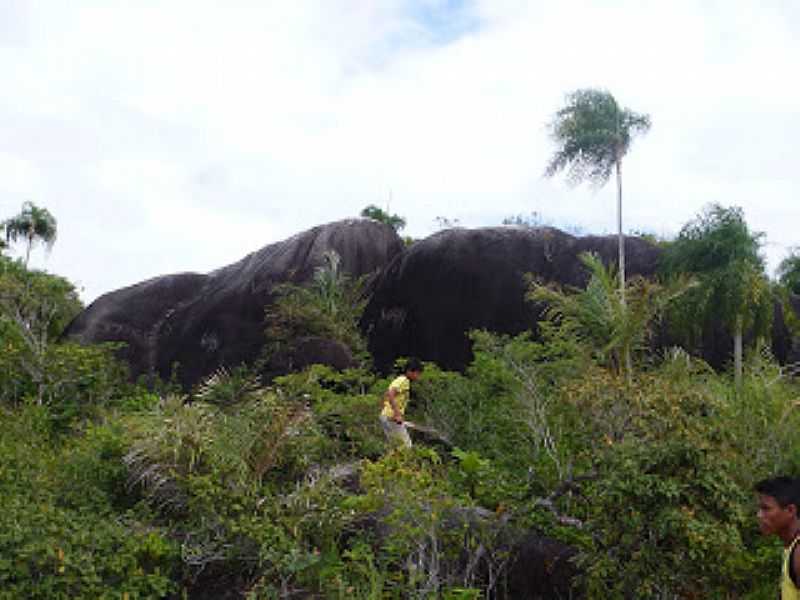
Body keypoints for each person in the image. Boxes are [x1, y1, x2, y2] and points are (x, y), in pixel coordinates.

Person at [756, 476, 800, 599]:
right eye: (759, 509)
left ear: (790, 510)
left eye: (766, 509)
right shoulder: (791, 547)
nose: (759, 515)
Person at [379, 358, 423, 448]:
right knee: (407, 446)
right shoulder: (404, 381)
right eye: (418, 374)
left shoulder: (399, 380)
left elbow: (387, 394)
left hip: (386, 416)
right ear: (410, 371)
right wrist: (397, 414)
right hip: (391, 418)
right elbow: (391, 394)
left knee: (395, 446)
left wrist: (386, 409)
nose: (418, 377)